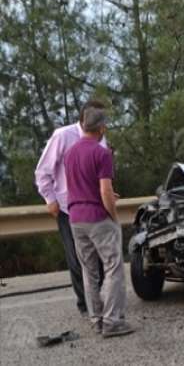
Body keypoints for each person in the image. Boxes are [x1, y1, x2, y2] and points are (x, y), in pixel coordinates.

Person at [65, 105, 133, 338]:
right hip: (98, 218)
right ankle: (113, 322)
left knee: (89, 271)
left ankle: (97, 320)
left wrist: (101, 196)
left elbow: (79, 186)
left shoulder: (70, 153)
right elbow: (105, 191)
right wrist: (113, 214)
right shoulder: (101, 153)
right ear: (102, 127)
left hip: (75, 218)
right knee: (114, 267)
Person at [35, 100, 107, 316]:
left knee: (101, 259)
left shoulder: (101, 138)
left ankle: (96, 299)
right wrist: (51, 200)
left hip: (96, 207)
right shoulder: (62, 136)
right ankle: (86, 305)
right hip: (69, 208)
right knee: (78, 259)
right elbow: (42, 172)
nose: (104, 126)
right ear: (85, 118)